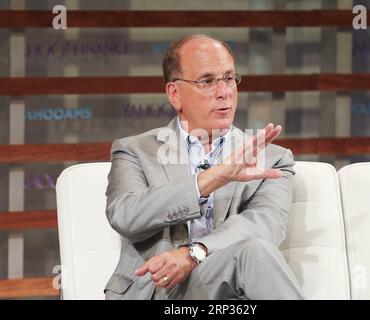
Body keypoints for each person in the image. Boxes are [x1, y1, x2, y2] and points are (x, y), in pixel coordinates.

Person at [104, 34, 304, 300]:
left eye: (230, 78)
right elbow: (125, 215)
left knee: (256, 249)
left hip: (225, 291)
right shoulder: (136, 150)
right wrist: (211, 179)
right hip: (156, 289)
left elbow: (264, 226)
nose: (224, 92)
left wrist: (194, 253)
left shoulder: (272, 158)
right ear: (175, 94)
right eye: (207, 81)